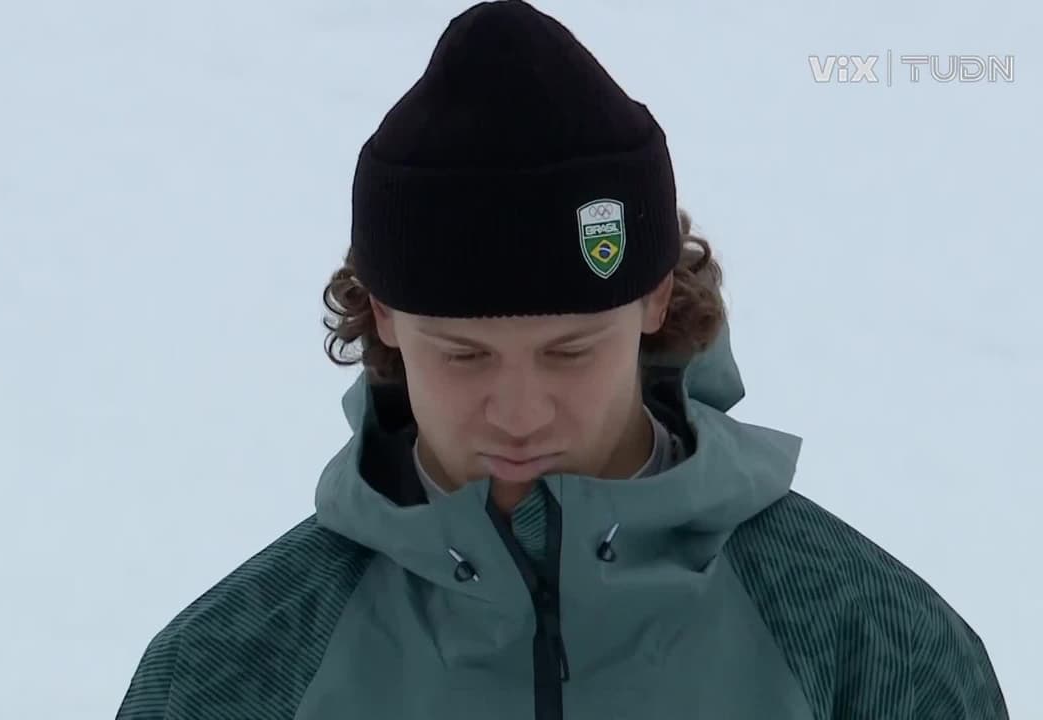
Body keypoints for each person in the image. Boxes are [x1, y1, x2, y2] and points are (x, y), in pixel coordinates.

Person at [115, 2, 1008, 718]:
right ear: (383, 318)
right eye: (464, 354)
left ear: (655, 299)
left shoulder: (870, 648)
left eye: (569, 351)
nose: (519, 410)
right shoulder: (231, 672)